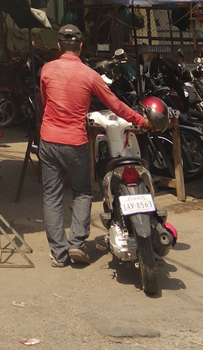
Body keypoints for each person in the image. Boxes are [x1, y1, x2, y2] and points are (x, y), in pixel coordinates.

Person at [39, 23, 152, 268]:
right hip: (76, 142)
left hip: (48, 140)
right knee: (82, 192)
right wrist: (141, 119)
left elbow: (44, 101)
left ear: (59, 47)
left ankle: (59, 254)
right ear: (80, 46)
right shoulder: (90, 75)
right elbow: (115, 104)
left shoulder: (46, 70)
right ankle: (77, 244)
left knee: (52, 196)